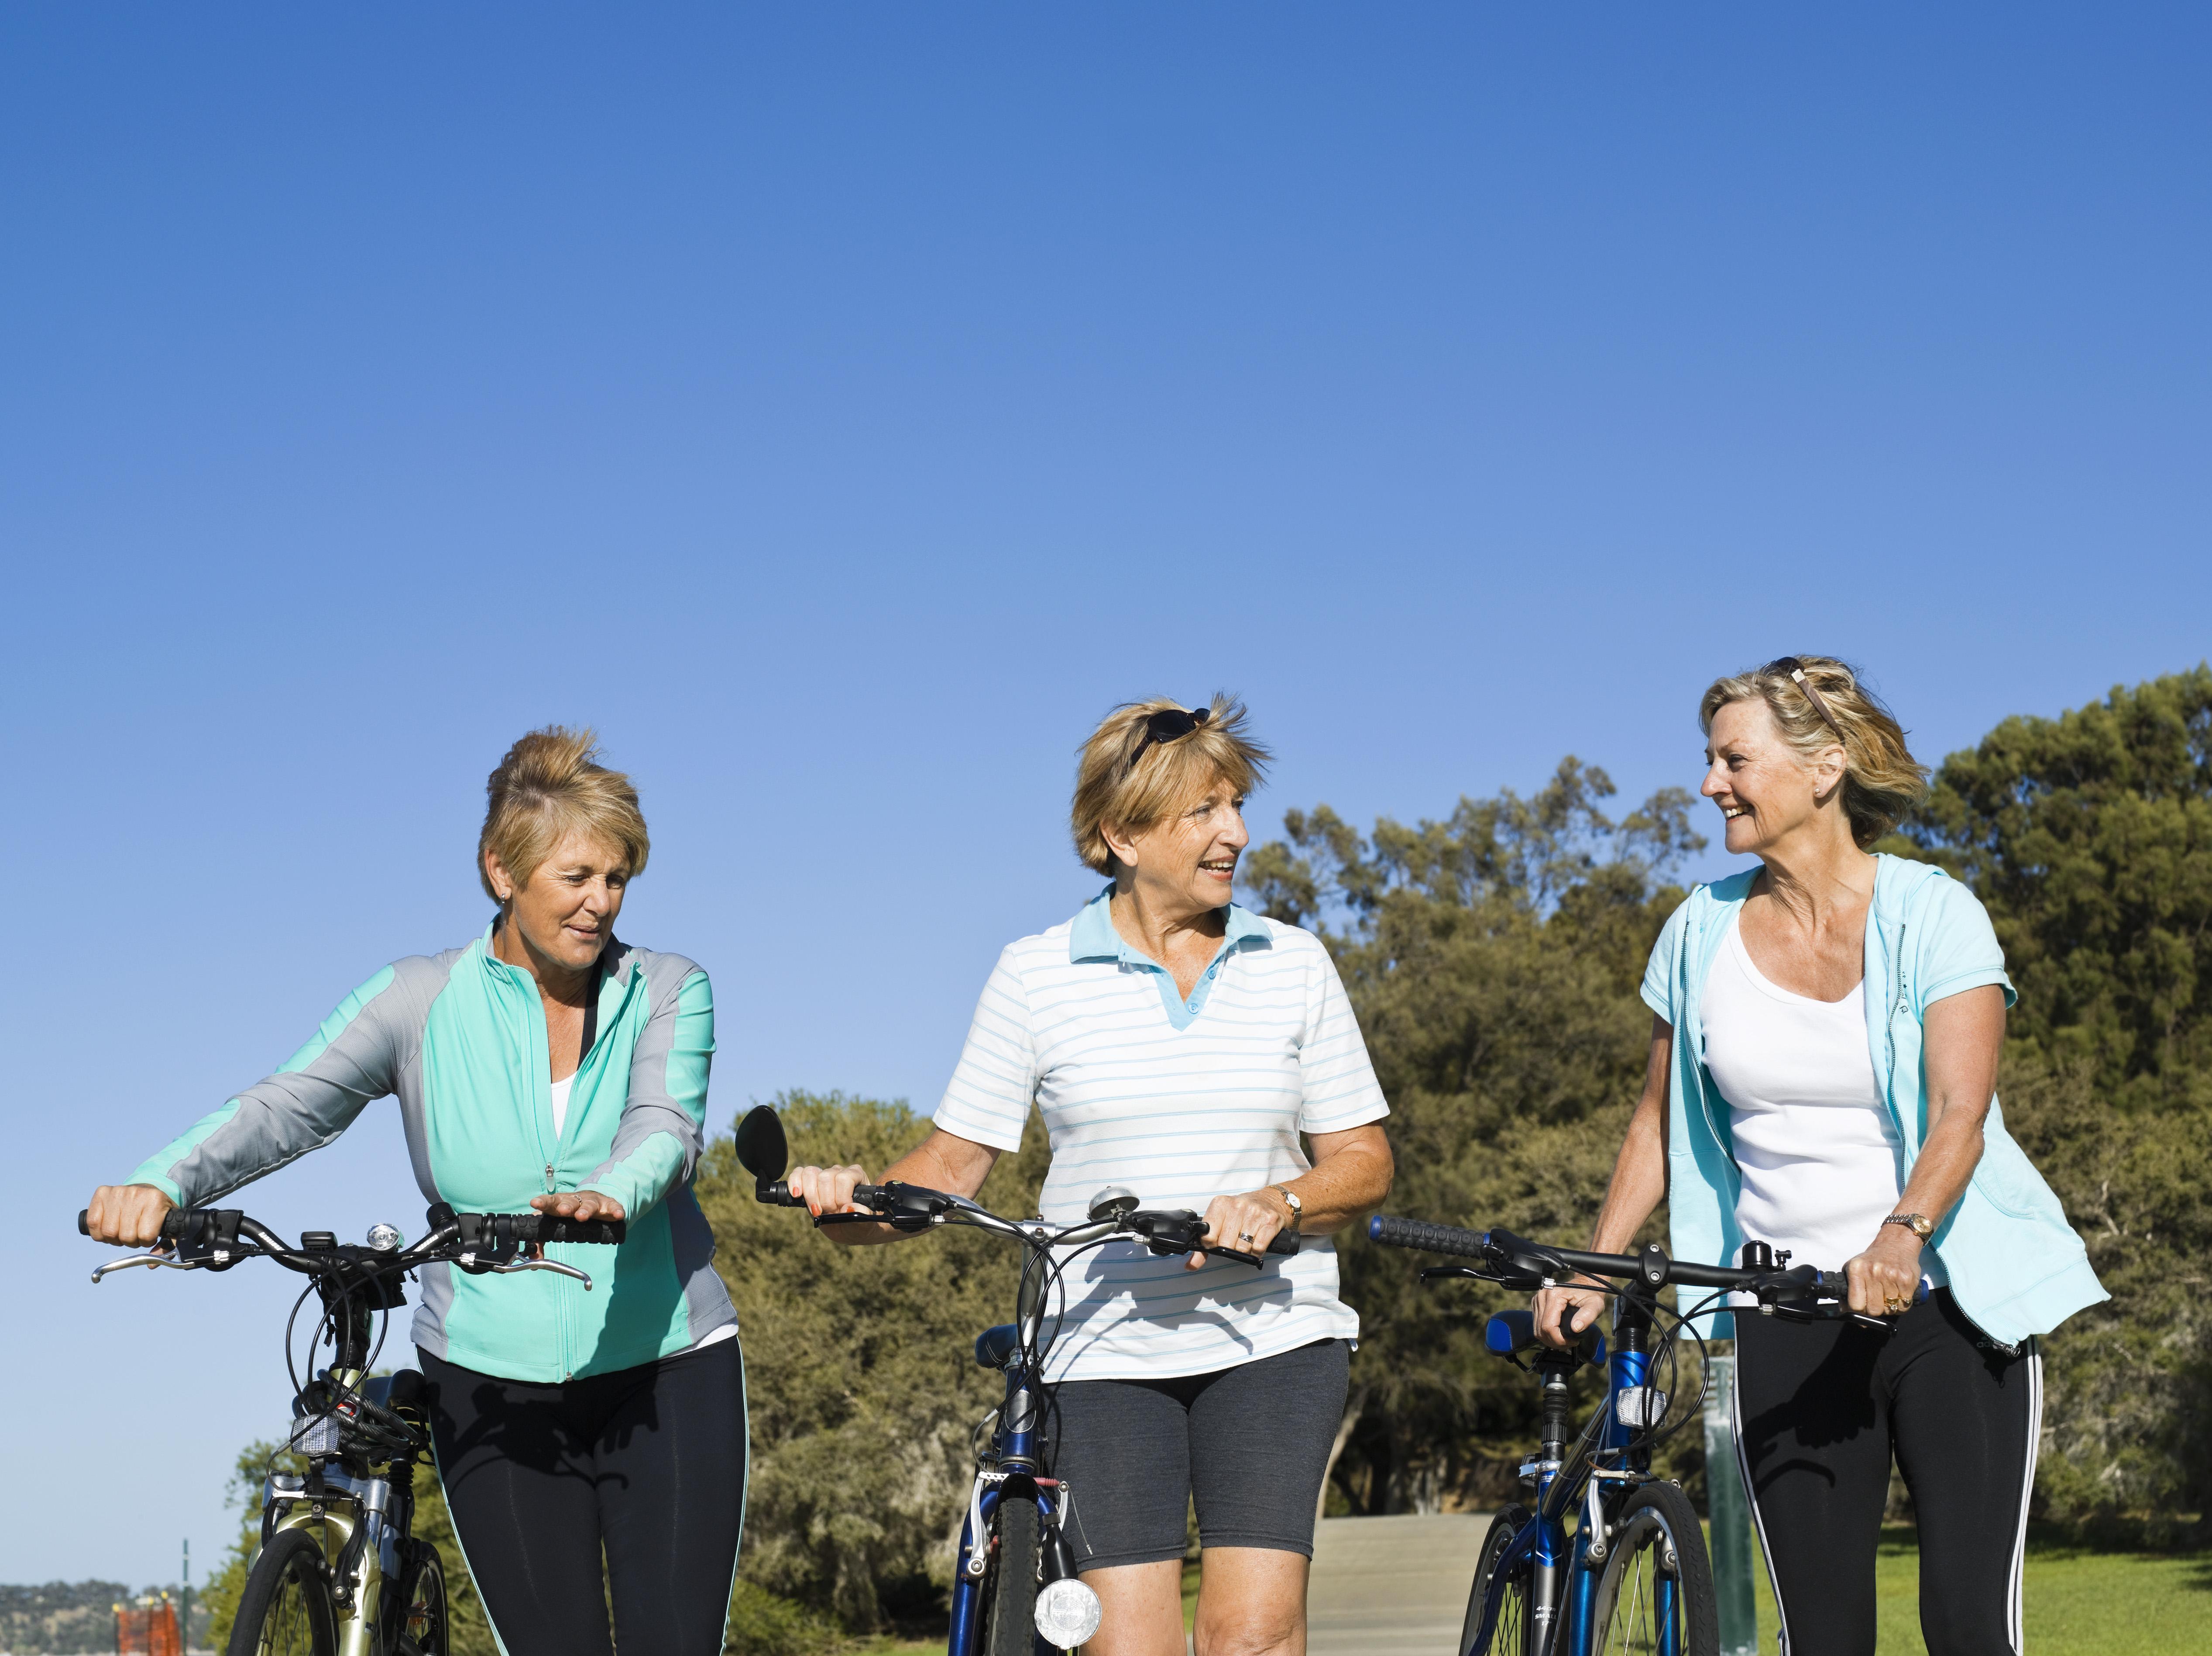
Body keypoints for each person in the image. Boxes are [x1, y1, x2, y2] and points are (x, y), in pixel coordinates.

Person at [84, 728, 745, 1656]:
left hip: (664, 1366)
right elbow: (287, 1104)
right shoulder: (418, 999)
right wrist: (162, 1180)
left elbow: (664, 1124)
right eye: (576, 876)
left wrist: (613, 1192)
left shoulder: (666, 987)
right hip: (487, 1378)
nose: (600, 902)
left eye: (617, 878)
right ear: (501, 871)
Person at [786, 696, 1394, 1656]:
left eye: (1235, 805)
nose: (1236, 833)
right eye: (1203, 811)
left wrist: (1281, 1201)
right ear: (1121, 834)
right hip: (1101, 1350)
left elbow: (1363, 1162)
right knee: (1127, 1647)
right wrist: (848, 1204)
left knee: (1251, 1635)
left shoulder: (1293, 962)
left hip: (1274, 1337)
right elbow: (950, 1167)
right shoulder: (1035, 975)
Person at [1532, 657, 2105, 1656]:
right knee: (1822, 1636)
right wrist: (1596, 1261)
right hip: (1783, 1314)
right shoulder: (1697, 932)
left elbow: (1959, 1111)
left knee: (1967, 1625)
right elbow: (1653, 1123)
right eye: (1708, 759)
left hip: (1943, 1310)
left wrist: (1899, 1234)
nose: (1709, 782)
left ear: (1824, 767)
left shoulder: (1933, 913)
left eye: (1734, 759)